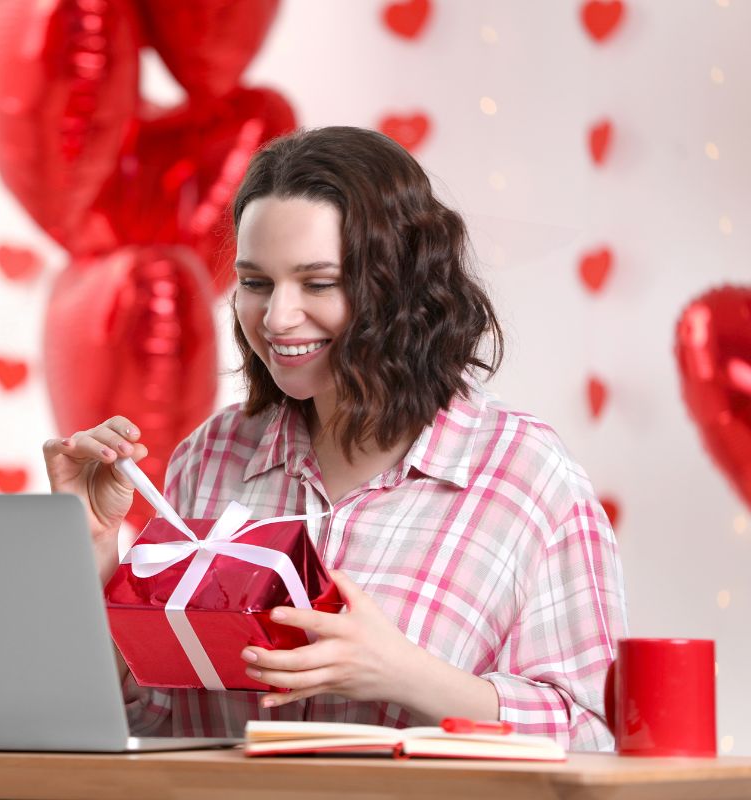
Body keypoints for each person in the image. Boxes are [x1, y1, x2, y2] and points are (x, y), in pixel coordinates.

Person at [42, 126, 627, 750]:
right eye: (256, 283)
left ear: (403, 287)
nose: (277, 317)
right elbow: (148, 716)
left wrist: (406, 676)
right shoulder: (209, 458)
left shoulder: (524, 475)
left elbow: (594, 736)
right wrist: (91, 554)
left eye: (319, 283)